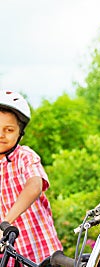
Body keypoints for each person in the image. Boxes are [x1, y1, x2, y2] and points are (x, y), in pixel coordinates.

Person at [0, 90, 62, 265]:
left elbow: (34, 186)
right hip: (8, 253)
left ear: (20, 132)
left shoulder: (25, 156)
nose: (1, 135)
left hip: (38, 248)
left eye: (9, 129)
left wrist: (6, 222)